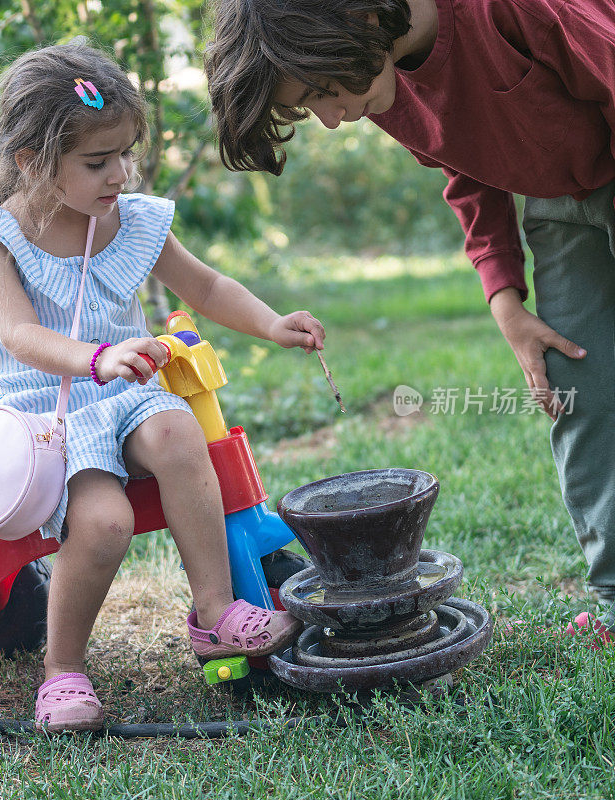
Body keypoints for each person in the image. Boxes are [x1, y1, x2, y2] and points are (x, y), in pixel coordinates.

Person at [204, 0, 615, 644]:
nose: (334, 121)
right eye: (311, 107)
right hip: (562, 202)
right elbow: (466, 159)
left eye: (320, 95)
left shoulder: (506, 11)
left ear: (355, 20)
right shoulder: (382, 75)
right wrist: (505, 297)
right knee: (581, 390)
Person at [0, 40, 324, 732]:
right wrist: (96, 356)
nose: (121, 172)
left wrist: (272, 324)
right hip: (47, 415)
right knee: (104, 523)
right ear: (32, 162)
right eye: (99, 161)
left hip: (123, 396)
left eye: (126, 154)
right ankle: (62, 670)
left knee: (180, 429)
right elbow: (18, 335)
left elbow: (205, 285)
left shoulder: (129, 218)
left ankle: (215, 612)